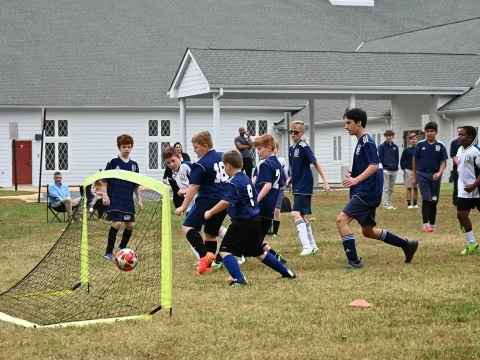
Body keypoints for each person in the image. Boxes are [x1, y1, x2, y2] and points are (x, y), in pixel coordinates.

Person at [336, 108, 418, 270]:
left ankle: (354, 262)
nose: (346, 127)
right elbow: (369, 165)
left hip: (367, 191)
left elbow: (374, 165)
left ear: (359, 123)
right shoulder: (361, 141)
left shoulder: (367, 141)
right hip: (367, 190)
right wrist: (357, 173)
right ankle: (407, 245)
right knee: (368, 231)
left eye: (348, 123)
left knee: (341, 221)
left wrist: (356, 179)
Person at [204, 150, 296, 286]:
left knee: (224, 250)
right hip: (255, 219)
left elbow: (226, 202)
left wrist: (210, 212)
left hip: (242, 222)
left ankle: (239, 279)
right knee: (259, 252)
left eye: (224, 166)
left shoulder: (234, 183)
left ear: (228, 166)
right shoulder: (246, 178)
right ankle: (286, 272)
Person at [175, 130, 228, 275]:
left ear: (205, 146)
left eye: (196, 147)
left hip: (207, 201)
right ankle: (209, 265)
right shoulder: (223, 156)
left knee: (187, 226)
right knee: (210, 233)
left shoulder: (201, 164)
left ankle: (204, 257)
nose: (194, 151)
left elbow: (193, 186)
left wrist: (183, 206)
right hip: (223, 201)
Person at [162, 146, 227, 264]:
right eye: (168, 163)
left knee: (189, 228)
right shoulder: (174, 174)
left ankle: (203, 258)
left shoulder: (186, 166)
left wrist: (185, 195)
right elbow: (182, 189)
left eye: (173, 160)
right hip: (195, 203)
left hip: (201, 202)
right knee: (211, 230)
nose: (171, 164)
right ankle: (208, 258)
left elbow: (197, 183)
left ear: (178, 157)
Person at [286, 120, 330, 256]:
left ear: (302, 133)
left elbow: (316, 163)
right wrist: (290, 178)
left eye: (296, 132)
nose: (293, 134)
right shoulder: (291, 149)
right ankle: (313, 246)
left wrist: (325, 181)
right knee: (302, 216)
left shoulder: (304, 147)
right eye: (291, 132)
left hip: (304, 184)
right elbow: (296, 167)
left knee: (295, 213)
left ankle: (306, 246)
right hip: (297, 184)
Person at [103, 134, 143, 260]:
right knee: (117, 223)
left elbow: (136, 185)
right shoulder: (113, 162)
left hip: (127, 200)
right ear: (119, 148)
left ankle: (122, 248)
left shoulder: (134, 165)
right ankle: (108, 252)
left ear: (132, 148)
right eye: (124, 147)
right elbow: (104, 180)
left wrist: (139, 199)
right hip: (115, 199)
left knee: (130, 224)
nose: (126, 149)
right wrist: (105, 195)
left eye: (129, 147)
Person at [253, 134, 287, 263]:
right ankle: (277, 258)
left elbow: (267, 185)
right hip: (270, 207)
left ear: (268, 148)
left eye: (259, 149)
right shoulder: (277, 163)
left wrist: (255, 201)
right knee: (256, 239)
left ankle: (221, 259)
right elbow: (280, 183)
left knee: (248, 238)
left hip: (261, 206)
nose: (257, 152)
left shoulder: (265, 164)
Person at [413, 122, 448, 232]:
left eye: (431, 131)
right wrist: (415, 177)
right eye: (427, 131)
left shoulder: (441, 146)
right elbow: (414, 160)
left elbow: (443, 162)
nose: (429, 133)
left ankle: (432, 224)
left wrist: (440, 172)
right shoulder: (420, 145)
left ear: (436, 132)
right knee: (426, 199)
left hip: (435, 175)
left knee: (434, 200)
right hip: (423, 174)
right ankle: (425, 224)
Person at [454, 126, 480, 255]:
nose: (459, 137)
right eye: (458, 134)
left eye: (462, 135)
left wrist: (474, 185)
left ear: (470, 137)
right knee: (461, 215)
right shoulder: (460, 149)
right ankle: (471, 244)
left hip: (478, 190)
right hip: (464, 191)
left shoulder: (476, 152)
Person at [378, 130, 399, 209]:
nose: (388, 137)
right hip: (386, 170)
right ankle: (385, 205)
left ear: (392, 136)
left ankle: (390, 204)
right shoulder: (382, 147)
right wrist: (382, 169)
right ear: (385, 136)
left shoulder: (395, 147)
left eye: (390, 135)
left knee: (391, 188)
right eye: (387, 136)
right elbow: (379, 158)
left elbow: (396, 158)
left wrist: (396, 167)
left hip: (394, 170)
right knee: (386, 188)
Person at [272, 141, 289, 238]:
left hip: (279, 188)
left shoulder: (281, 160)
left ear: (277, 149)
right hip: (270, 188)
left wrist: (288, 180)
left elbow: (285, 172)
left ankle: (275, 231)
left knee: (277, 209)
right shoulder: (265, 161)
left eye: (275, 148)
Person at [400, 133, 419, 209]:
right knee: (409, 187)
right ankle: (409, 203)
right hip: (409, 170)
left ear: (417, 139)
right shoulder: (407, 150)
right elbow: (402, 160)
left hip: (417, 170)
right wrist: (404, 168)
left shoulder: (419, 149)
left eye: (414, 139)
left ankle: (415, 203)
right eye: (411, 139)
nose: (413, 140)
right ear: (409, 140)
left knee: (416, 187)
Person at [450, 127, 462, 206]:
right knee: (457, 183)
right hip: (457, 166)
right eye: (458, 131)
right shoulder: (454, 143)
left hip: (467, 166)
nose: (459, 133)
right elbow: (453, 155)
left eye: (461, 131)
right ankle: (455, 201)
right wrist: (459, 164)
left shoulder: (467, 142)